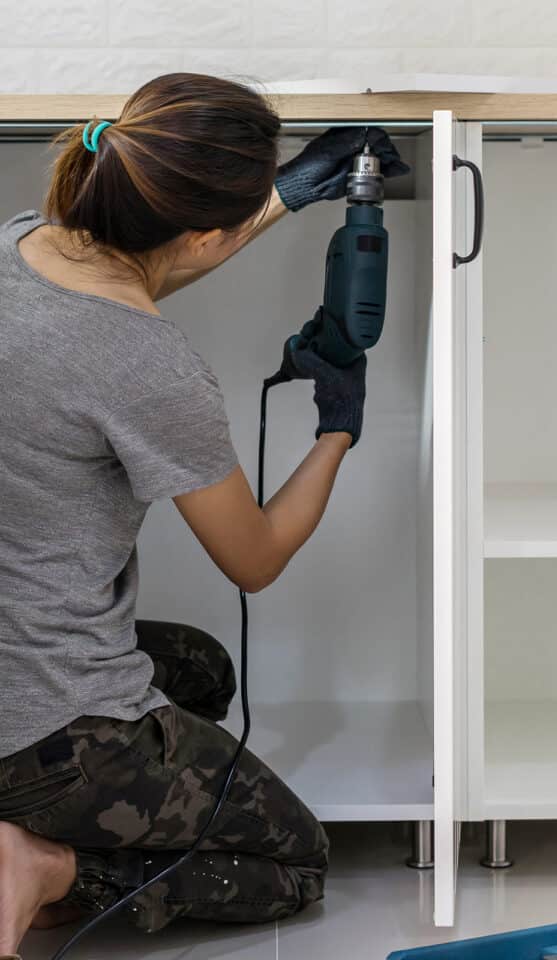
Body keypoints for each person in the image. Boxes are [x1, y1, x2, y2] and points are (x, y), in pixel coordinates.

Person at [0, 71, 408, 958]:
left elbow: (118, 302)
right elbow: (253, 559)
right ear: (203, 235)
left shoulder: (19, 243)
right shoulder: (151, 364)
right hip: (39, 735)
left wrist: (286, 192)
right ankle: (45, 863)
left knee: (199, 669)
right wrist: (337, 429)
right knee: (294, 864)